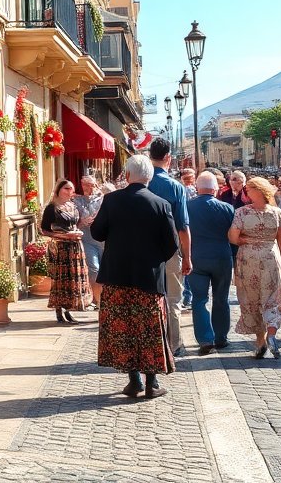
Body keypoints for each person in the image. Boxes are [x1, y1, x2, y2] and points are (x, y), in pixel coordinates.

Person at [92, 154, 180, 399]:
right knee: (150, 328)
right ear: (149, 178)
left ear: (127, 176)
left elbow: (98, 233)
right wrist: (154, 260)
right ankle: (152, 382)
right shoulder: (161, 204)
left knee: (123, 329)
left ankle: (134, 381)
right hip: (149, 278)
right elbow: (172, 244)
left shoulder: (111, 200)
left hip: (117, 276)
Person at [229, 176, 281, 358]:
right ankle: (271, 334)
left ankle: (260, 341)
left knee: (252, 299)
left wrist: (246, 240)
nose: (246, 192)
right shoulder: (276, 212)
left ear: (256, 191)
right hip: (271, 257)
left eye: (248, 189)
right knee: (274, 297)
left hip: (248, 259)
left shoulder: (242, 213)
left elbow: (233, 237)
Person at [146, 139, 191, 357]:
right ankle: (174, 345)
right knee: (173, 299)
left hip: (144, 252)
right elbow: (183, 227)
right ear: (168, 158)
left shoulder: (142, 183)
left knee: (148, 298)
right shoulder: (176, 187)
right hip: (171, 250)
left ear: (149, 155)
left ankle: (151, 342)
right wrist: (188, 257)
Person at [185, 172, 237, 355]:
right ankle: (221, 337)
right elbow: (234, 236)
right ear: (215, 189)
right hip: (221, 257)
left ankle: (206, 340)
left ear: (198, 188)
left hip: (196, 258)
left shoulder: (187, 206)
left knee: (199, 299)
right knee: (221, 298)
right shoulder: (227, 208)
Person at [40, 179, 92, 324]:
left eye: (71, 189)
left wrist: (79, 229)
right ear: (58, 190)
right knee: (61, 279)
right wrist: (63, 235)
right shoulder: (52, 208)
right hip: (61, 247)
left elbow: (75, 224)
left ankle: (68, 310)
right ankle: (58, 311)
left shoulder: (73, 206)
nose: (70, 192)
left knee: (73, 280)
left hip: (75, 246)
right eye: (66, 189)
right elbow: (44, 230)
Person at [73, 175, 106, 309]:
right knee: (94, 269)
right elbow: (73, 219)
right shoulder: (77, 200)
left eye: (90, 184)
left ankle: (104, 298)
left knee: (105, 270)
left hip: (103, 240)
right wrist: (80, 222)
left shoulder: (102, 199)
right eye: (85, 184)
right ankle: (98, 300)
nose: (88, 187)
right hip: (88, 239)